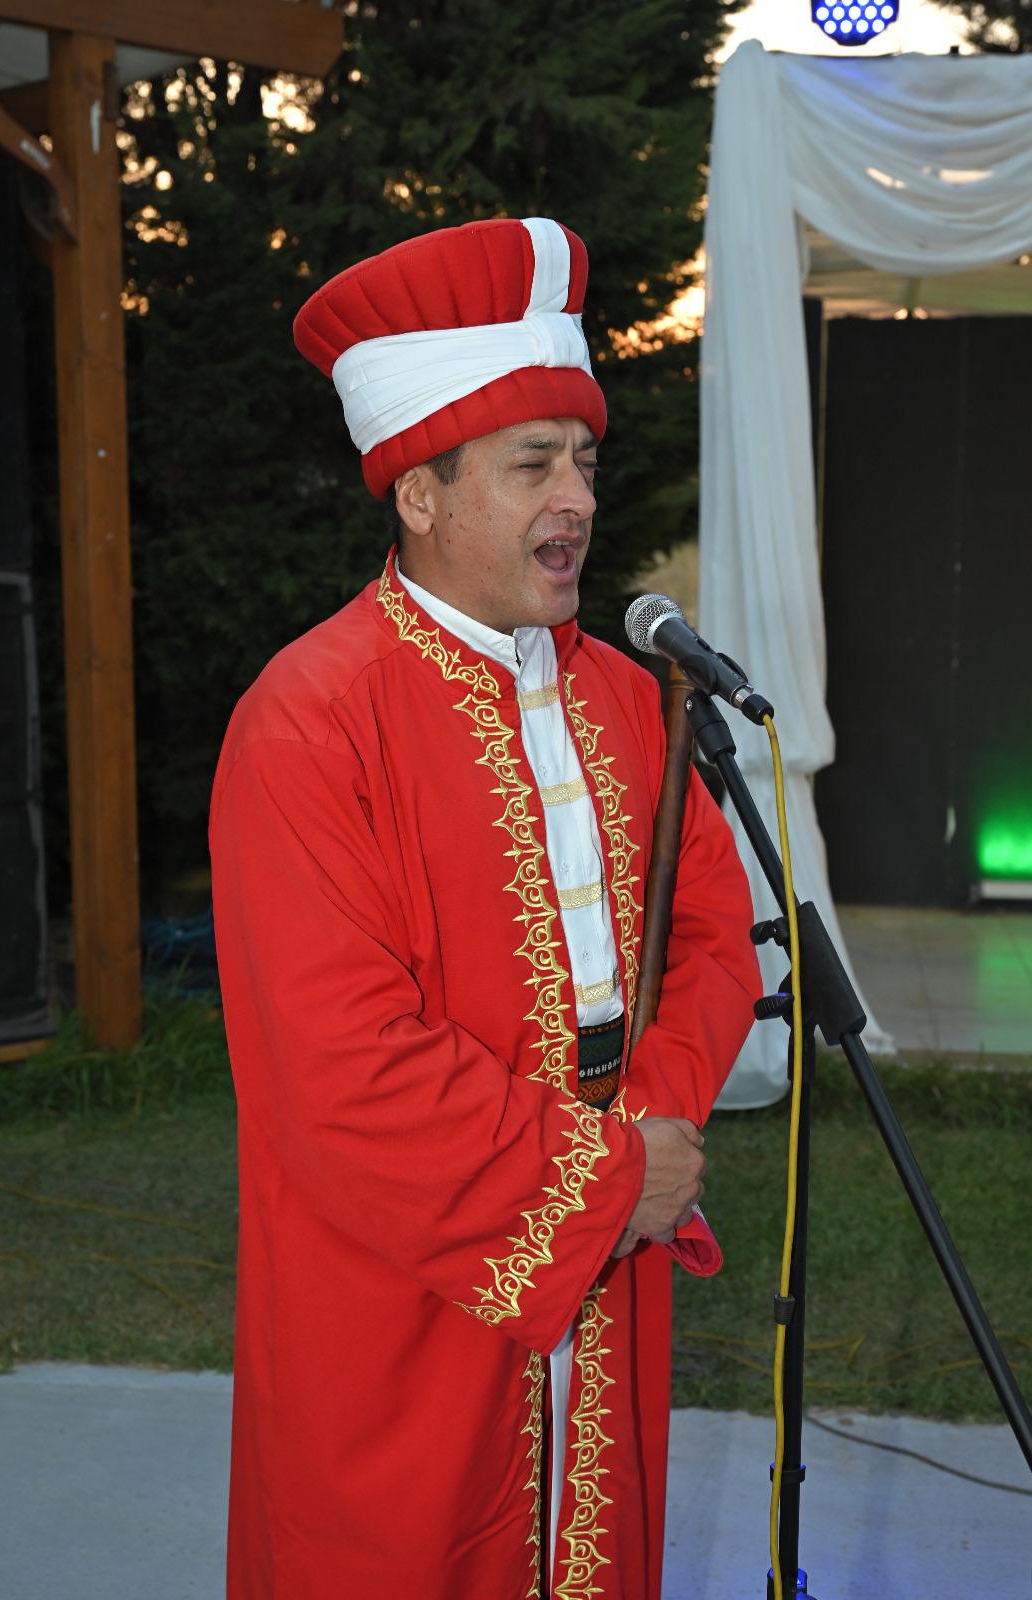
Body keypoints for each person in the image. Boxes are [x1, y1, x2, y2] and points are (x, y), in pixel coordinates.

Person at [210, 216, 758, 1600]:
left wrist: (648, 1133)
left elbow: (708, 934)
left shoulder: (633, 699)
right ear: (418, 492)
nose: (576, 497)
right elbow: (342, 1068)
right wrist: (606, 1182)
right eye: (531, 464)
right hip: (393, 1284)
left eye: (584, 460)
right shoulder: (306, 721)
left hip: (614, 1246)